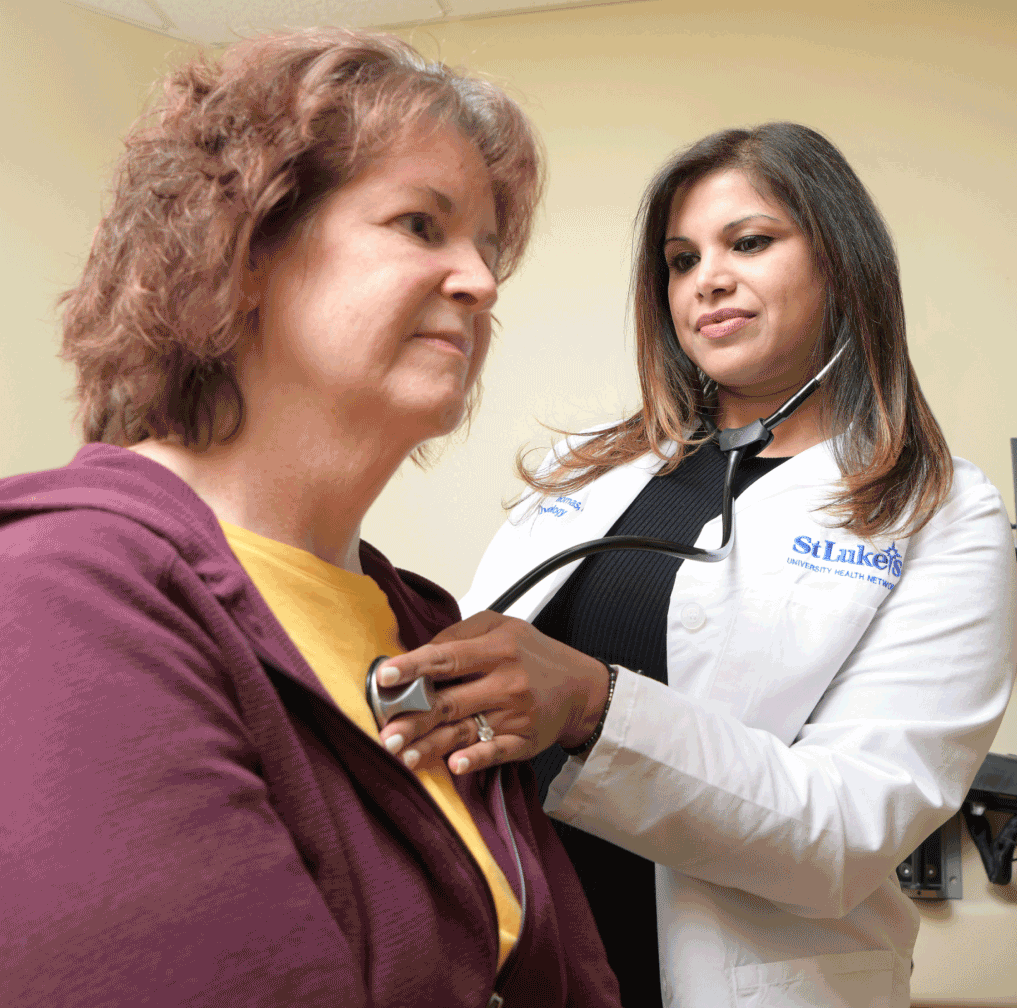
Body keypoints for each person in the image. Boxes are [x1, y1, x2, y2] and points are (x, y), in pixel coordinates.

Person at [0, 28, 622, 1008]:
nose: (482, 282)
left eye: (489, 247)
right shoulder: (68, 598)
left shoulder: (420, 622)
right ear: (243, 253)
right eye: (422, 224)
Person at [373, 122, 1017, 1007]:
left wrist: (593, 707)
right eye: (681, 260)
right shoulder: (600, 472)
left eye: (749, 243)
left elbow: (849, 830)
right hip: (529, 966)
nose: (707, 280)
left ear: (842, 262)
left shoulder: (940, 514)